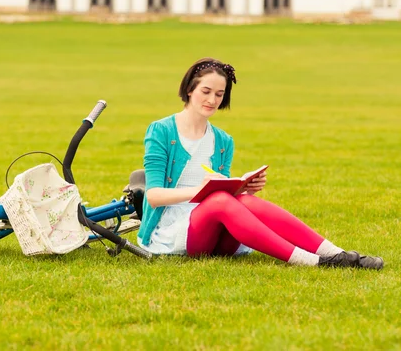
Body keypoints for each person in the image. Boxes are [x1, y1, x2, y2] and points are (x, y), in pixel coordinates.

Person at [137, 57, 383, 269]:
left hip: (214, 228)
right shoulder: (161, 131)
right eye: (206, 91)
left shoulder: (223, 140)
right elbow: (154, 196)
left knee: (243, 200)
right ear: (190, 89)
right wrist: (201, 191)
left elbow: (220, 191)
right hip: (171, 231)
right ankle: (312, 262)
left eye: (219, 95)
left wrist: (241, 187)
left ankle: (336, 254)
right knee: (221, 201)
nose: (212, 100)